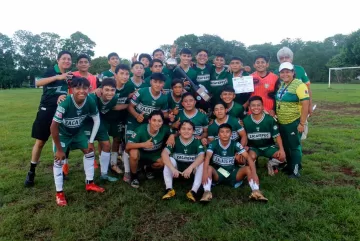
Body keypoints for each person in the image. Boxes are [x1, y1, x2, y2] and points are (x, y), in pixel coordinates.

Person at [51, 77, 104, 206]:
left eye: (84, 88)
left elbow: (97, 120)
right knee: (59, 160)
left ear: (89, 89)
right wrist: (59, 149)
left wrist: (91, 141)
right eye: (77, 88)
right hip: (63, 134)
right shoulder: (65, 102)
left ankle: (89, 183)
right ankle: (59, 193)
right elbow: (53, 127)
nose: (81, 91)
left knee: (90, 152)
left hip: (78, 132)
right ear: (71, 89)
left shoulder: (90, 100)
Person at [24, 50, 72, 187]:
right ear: (58, 60)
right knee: (40, 142)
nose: (67, 61)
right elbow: (39, 83)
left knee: (62, 142)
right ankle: (31, 172)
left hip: (62, 112)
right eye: (64, 58)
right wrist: (58, 77)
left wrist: (65, 97)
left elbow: (73, 91)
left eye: (69, 59)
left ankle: (61, 170)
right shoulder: (52, 71)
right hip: (46, 111)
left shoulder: (70, 76)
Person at [200, 123, 268, 202]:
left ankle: (256, 191)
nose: (225, 134)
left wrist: (254, 174)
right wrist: (204, 173)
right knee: (208, 168)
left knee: (248, 169)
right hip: (218, 172)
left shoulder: (235, 144)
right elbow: (207, 157)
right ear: (218, 134)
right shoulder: (213, 144)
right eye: (222, 132)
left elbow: (248, 158)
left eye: (227, 132)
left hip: (232, 172)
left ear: (231, 134)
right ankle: (207, 192)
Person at [83, 78, 121, 182]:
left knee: (107, 145)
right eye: (107, 90)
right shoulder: (92, 97)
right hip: (86, 123)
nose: (109, 92)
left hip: (99, 122)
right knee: (88, 149)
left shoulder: (114, 98)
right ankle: (88, 178)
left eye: (112, 90)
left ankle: (104, 174)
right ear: (101, 90)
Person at [275, 62, 309, 178]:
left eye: (288, 72)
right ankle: (290, 166)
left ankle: (295, 170)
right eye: (282, 72)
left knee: (294, 146)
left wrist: (302, 123)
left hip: (293, 122)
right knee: (286, 146)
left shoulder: (299, 85)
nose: (285, 74)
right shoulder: (283, 85)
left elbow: (305, 104)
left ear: (293, 72)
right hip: (282, 122)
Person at [126, 111, 172, 188]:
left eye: (159, 121)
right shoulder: (140, 129)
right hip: (141, 153)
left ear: (162, 122)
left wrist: (172, 136)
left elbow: (175, 132)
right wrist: (143, 144)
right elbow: (128, 146)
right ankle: (134, 176)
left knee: (163, 161)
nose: (156, 123)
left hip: (155, 154)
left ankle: (148, 168)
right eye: (154, 120)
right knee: (133, 153)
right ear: (149, 121)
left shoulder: (164, 129)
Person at [161, 120, 205, 202]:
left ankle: (193, 191)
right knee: (169, 159)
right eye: (183, 129)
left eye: (189, 129)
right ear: (179, 131)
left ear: (193, 131)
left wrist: (191, 168)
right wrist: (173, 168)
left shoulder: (197, 141)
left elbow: (202, 156)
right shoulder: (175, 140)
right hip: (177, 172)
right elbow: (164, 154)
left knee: (202, 163)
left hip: (191, 173)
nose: (186, 131)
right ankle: (169, 189)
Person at [243, 96, 286, 176]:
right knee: (249, 157)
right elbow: (244, 137)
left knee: (282, 157)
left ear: (262, 106)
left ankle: (271, 163)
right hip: (254, 148)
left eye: (258, 105)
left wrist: (281, 150)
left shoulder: (269, 119)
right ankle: (253, 164)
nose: (256, 107)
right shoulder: (246, 121)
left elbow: (277, 136)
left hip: (268, 146)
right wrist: (244, 147)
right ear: (249, 107)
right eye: (253, 105)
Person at [104, 64, 133, 175]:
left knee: (117, 140)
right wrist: (126, 106)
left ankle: (113, 163)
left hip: (119, 118)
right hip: (105, 117)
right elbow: (111, 106)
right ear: (115, 75)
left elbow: (134, 95)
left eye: (127, 74)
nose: (125, 76)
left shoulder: (129, 86)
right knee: (104, 142)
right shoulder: (109, 85)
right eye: (122, 73)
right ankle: (104, 164)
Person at [275, 47, 313, 116]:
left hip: (300, 109)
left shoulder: (300, 69)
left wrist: (310, 105)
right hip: (282, 111)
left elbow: (308, 89)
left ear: (291, 58)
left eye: (287, 57)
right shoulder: (275, 72)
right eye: (281, 58)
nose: (284, 60)